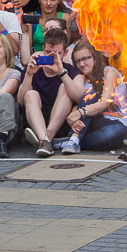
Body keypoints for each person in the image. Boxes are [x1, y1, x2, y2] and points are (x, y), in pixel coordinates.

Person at [18, 28, 82, 157]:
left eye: (57, 53)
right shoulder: (33, 68)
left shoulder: (71, 71)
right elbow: (20, 100)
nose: (52, 56)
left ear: (65, 53)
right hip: (35, 121)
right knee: (31, 94)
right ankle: (46, 140)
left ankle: (45, 140)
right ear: (42, 49)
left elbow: (80, 97)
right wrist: (29, 75)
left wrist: (61, 72)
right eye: (48, 52)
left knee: (65, 87)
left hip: (61, 123)